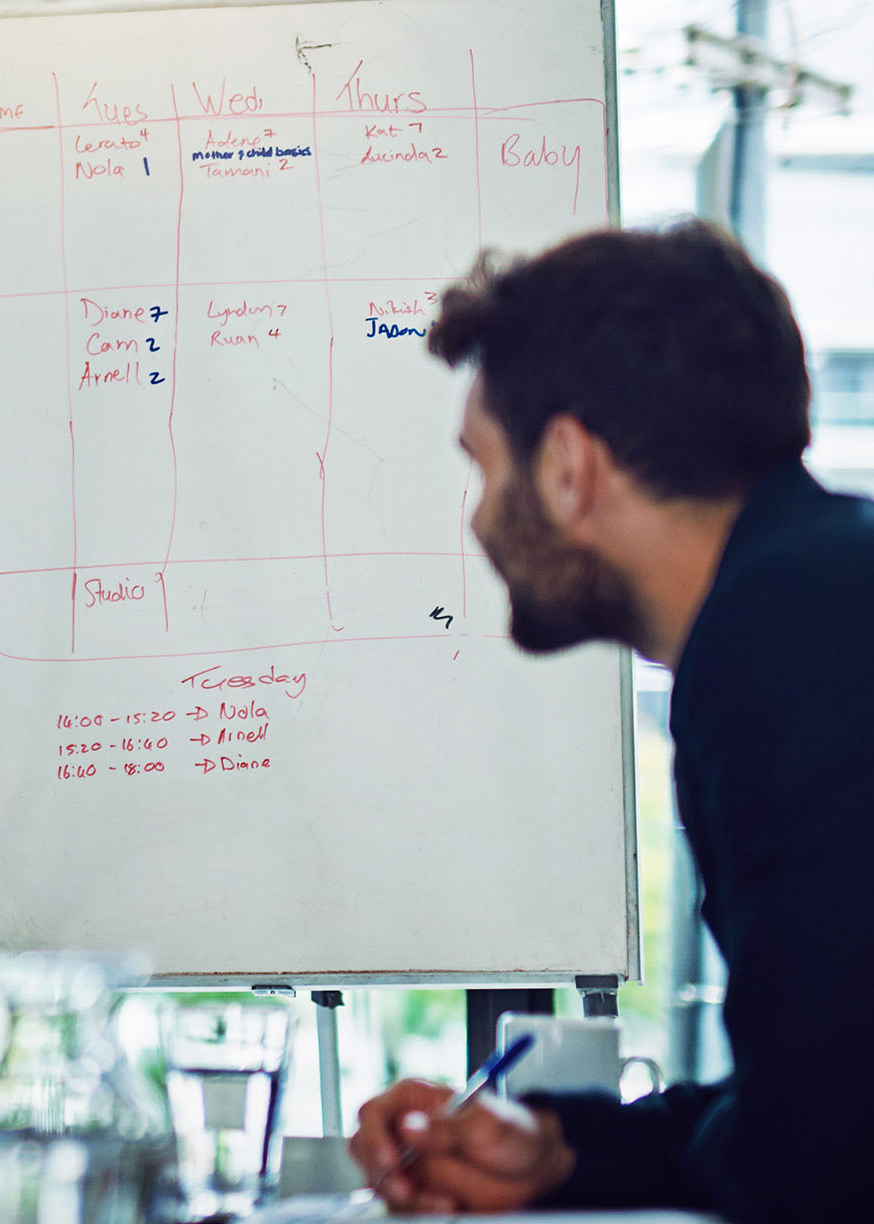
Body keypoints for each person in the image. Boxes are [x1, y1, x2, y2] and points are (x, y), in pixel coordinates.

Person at [346, 221, 874, 1222]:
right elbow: (824, 1102)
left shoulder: (774, 647)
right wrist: (557, 1153)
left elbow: (819, 1166)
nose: (474, 516)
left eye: (482, 466)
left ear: (566, 468)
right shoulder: (820, 594)